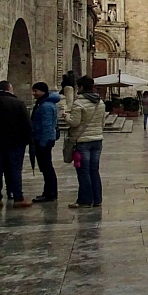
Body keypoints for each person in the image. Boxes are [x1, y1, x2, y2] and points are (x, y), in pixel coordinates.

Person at [0, 81, 33, 208]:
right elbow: (27, 125)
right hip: (15, 144)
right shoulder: (18, 104)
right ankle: (18, 197)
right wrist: (25, 141)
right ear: (9, 89)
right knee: (14, 170)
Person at [65, 76, 106, 209]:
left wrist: (66, 116)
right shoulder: (100, 103)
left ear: (81, 87)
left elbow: (74, 122)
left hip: (83, 141)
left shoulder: (79, 103)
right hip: (97, 140)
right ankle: (97, 199)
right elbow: (102, 122)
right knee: (94, 170)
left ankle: (85, 200)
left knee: (83, 171)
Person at [30, 82, 60, 203]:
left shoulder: (46, 106)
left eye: (36, 91)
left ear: (43, 91)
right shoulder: (43, 103)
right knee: (46, 167)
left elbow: (46, 126)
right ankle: (49, 192)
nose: (34, 93)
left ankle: (50, 193)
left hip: (44, 140)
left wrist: (42, 143)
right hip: (44, 139)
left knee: (47, 167)